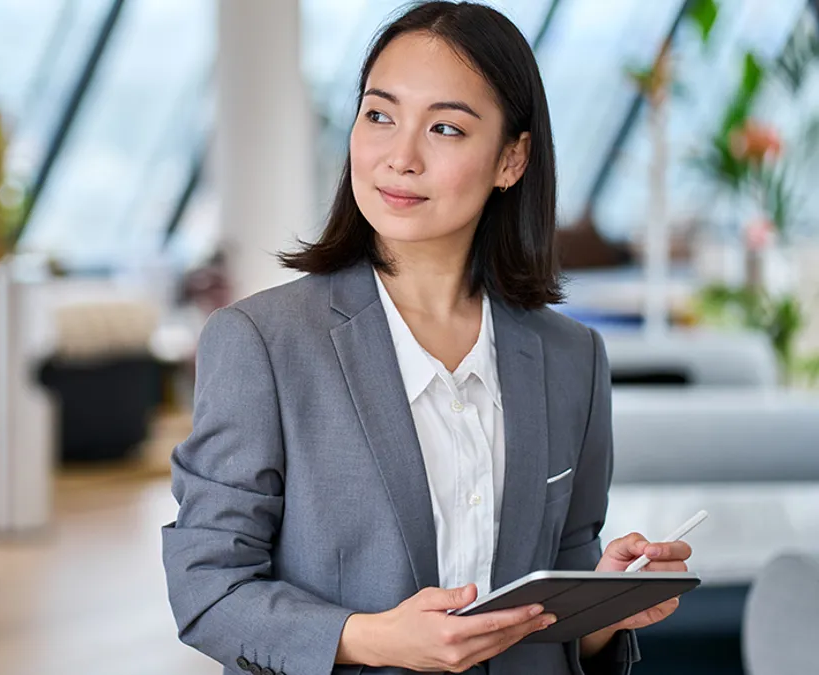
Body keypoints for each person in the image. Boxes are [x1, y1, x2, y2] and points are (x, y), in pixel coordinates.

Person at [161, 2, 693, 674]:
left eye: (444, 127)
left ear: (511, 158)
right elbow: (209, 590)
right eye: (379, 115)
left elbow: (560, 591)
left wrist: (603, 610)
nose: (399, 157)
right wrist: (374, 637)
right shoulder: (261, 345)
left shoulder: (572, 359)